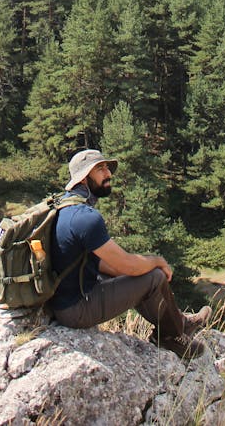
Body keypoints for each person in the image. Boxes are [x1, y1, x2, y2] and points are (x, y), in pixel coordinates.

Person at [50, 148, 211, 359]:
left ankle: (180, 322)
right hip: (76, 309)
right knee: (154, 277)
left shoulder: (64, 206)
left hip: (66, 299)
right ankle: (172, 338)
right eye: (100, 169)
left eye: (107, 167)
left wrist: (131, 273)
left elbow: (102, 264)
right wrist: (157, 261)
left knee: (137, 276)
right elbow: (129, 265)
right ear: (83, 178)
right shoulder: (84, 217)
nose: (108, 174)